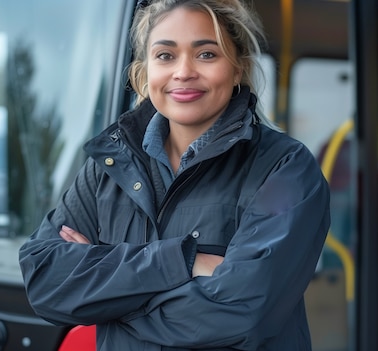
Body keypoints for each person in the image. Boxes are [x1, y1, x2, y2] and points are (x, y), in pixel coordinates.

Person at [18, 0, 330, 350]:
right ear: (145, 71)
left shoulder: (284, 167)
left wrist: (104, 297)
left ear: (238, 68)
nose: (183, 72)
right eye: (165, 56)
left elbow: (243, 312)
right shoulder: (108, 165)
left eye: (207, 54)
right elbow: (46, 279)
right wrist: (185, 260)